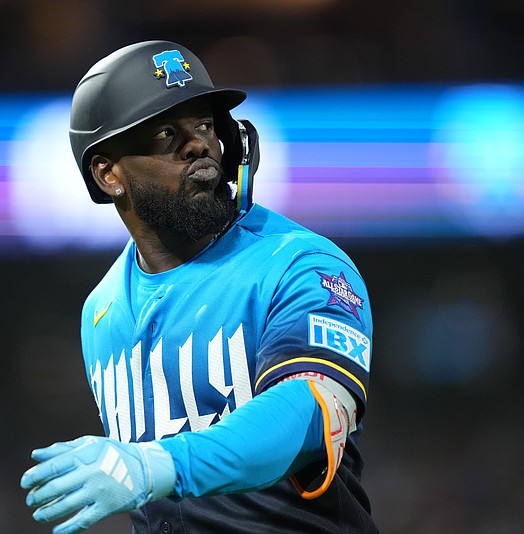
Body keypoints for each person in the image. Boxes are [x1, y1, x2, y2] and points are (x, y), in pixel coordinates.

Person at [20, 40, 378, 534]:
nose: (199, 144)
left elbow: (308, 419)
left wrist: (154, 466)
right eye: (167, 132)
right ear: (107, 174)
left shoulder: (302, 265)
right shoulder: (100, 311)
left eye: (206, 125)